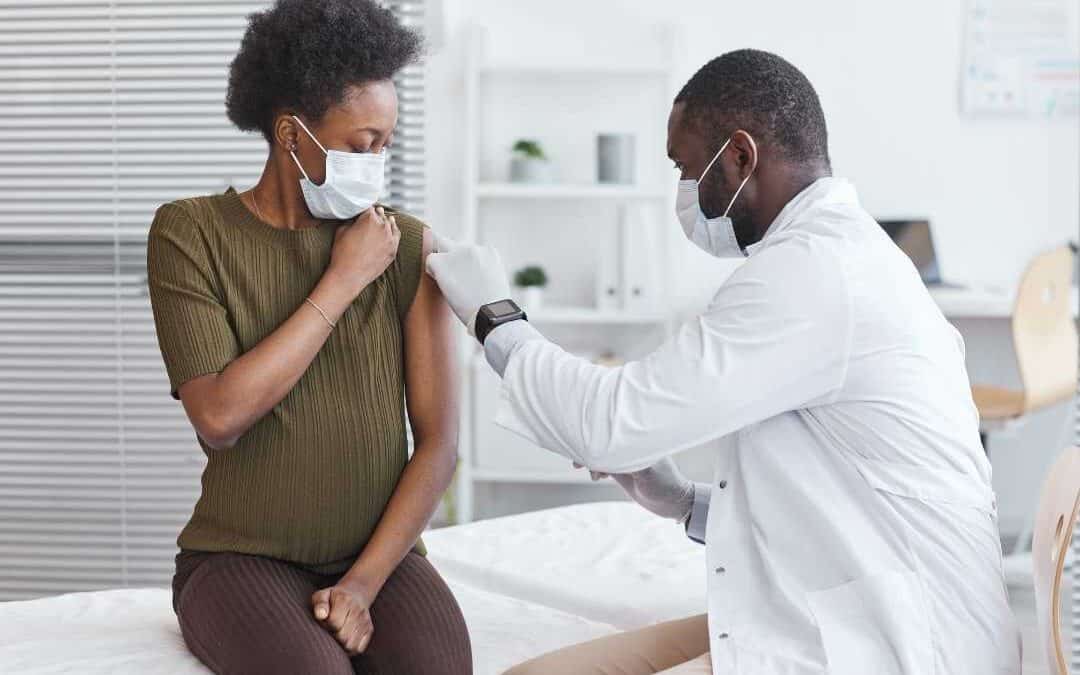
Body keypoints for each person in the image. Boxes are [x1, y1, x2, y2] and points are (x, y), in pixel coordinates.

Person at [426, 49, 1021, 674]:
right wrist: (683, 501)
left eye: (685, 167)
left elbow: (609, 423)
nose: (683, 193)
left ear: (739, 156)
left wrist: (493, 318)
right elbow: (830, 501)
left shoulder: (814, 274)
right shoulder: (835, 257)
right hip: (853, 610)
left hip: (899, 646)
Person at [146, 1, 470, 673]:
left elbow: (438, 442)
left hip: (378, 553)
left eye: (387, 142)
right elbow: (220, 416)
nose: (378, 162)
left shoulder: (407, 245)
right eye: (362, 144)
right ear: (293, 135)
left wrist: (363, 583)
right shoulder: (191, 233)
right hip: (238, 558)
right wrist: (342, 281)